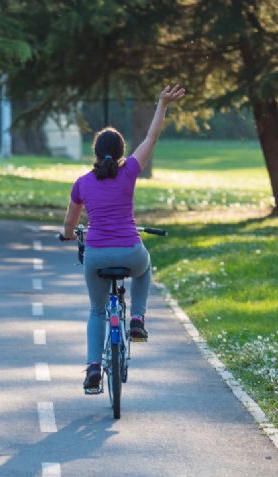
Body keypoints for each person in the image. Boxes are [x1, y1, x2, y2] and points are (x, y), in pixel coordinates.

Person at [60, 84, 186, 393]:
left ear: (95, 152)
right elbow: (151, 137)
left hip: (97, 256)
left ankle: (93, 368)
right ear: (121, 153)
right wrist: (162, 104)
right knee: (144, 268)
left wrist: (66, 235)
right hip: (130, 252)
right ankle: (137, 320)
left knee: (97, 310)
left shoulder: (82, 184)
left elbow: (69, 225)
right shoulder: (129, 171)